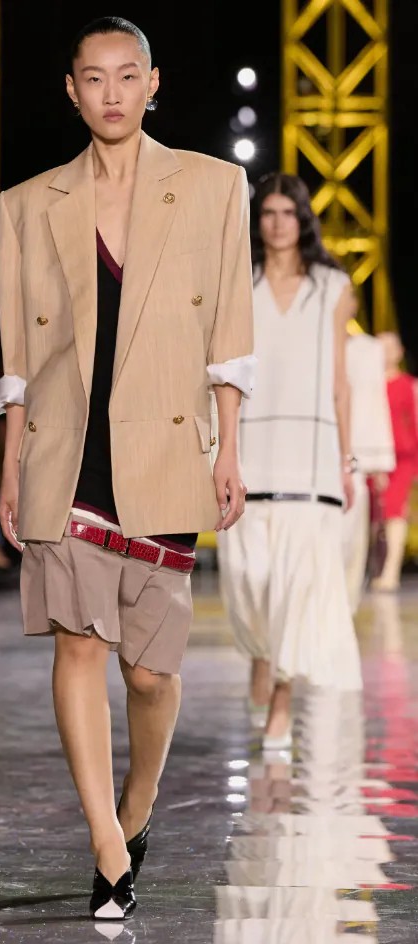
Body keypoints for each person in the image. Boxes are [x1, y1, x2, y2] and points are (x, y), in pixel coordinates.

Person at [0, 16, 254, 921]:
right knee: (78, 643)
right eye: (94, 78)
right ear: (72, 91)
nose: (112, 92)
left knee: (147, 672)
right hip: (66, 448)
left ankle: (138, 804)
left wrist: (230, 447)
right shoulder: (28, 204)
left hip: (165, 442)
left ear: (153, 83)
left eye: (127, 75)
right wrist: (11, 462)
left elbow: (229, 330)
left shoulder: (214, 186)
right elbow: (19, 357)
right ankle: (107, 843)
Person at [217, 172, 363, 752]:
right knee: (250, 578)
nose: (278, 223)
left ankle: (282, 692)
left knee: (299, 587)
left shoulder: (333, 285)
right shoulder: (238, 281)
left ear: (303, 219)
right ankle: (262, 651)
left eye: (287, 213)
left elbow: (340, 380)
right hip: (251, 451)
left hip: (311, 456)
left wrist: (346, 459)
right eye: (269, 213)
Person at [342, 323, 395, 612]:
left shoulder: (367, 350)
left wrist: (380, 461)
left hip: (357, 456)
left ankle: (345, 606)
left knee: (351, 536)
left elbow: (375, 402)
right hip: (313, 453)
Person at [369, 331, 418, 592]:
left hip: (402, 458)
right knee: (373, 515)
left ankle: (390, 572)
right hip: (372, 457)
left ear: (400, 352)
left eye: (390, 347)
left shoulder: (409, 385)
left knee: (395, 511)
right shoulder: (369, 386)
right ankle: (374, 568)